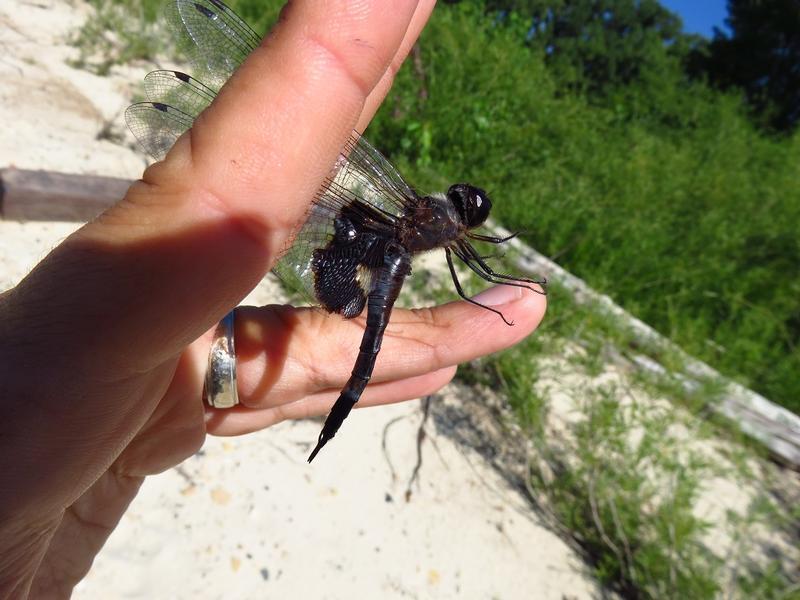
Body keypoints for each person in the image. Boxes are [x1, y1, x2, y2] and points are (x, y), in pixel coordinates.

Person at [0, 0, 546, 596]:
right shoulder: (449, 232)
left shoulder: (421, 213)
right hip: (372, 267)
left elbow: (471, 263)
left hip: (369, 259)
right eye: (469, 207)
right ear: (464, 217)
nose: (464, 207)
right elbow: (472, 267)